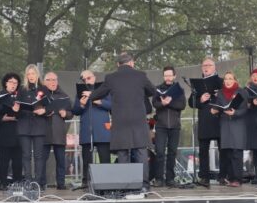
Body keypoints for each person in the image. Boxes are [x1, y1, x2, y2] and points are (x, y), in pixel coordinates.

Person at [90, 52, 156, 191]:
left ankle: (125, 186)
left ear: (117, 64)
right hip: (138, 120)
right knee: (141, 152)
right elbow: (152, 91)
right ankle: (144, 185)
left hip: (120, 121)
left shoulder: (111, 78)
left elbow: (97, 94)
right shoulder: (140, 75)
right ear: (131, 63)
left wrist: (90, 95)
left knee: (123, 153)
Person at [72, 70, 111, 187]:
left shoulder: (104, 90)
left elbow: (112, 105)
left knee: (104, 158)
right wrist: (82, 104)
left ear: (94, 77)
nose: (87, 80)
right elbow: (75, 111)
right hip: (87, 130)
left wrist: (97, 100)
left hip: (102, 130)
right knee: (87, 159)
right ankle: (86, 181)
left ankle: (106, 182)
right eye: (84, 79)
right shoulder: (80, 93)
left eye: (89, 78)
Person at [188, 58, 223, 188]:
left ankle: (223, 175)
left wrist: (219, 95)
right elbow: (191, 103)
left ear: (214, 67)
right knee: (203, 149)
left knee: (222, 149)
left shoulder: (222, 81)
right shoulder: (197, 84)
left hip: (219, 118)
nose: (206, 67)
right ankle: (204, 177)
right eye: (204, 65)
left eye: (209, 65)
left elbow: (229, 98)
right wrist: (200, 100)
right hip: (204, 119)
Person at [211, 71, 248, 187]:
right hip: (225, 125)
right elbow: (217, 106)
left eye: (230, 78)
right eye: (226, 79)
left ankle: (237, 179)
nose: (227, 81)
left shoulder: (241, 92)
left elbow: (245, 109)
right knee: (227, 153)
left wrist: (235, 112)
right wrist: (214, 111)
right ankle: (230, 178)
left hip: (237, 125)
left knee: (237, 153)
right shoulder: (220, 93)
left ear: (235, 80)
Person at [15, 64, 49, 187]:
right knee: (26, 155)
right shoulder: (22, 90)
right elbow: (17, 111)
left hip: (39, 125)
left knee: (39, 156)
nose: (30, 76)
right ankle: (28, 181)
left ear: (37, 74)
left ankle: (38, 182)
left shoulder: (43, 89)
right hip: (24, 126)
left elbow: (50, 106)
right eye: (28, 74)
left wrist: (44, 110)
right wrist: (16, 109)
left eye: (33, 73)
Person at [152, 65, 186, 187]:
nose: (167, 77)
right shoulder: (158, 89)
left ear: (174, 76)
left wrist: (169, 103)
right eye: (165, 75)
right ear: (163, 76)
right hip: (161, 125)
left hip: (175, 125)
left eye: (170, 75)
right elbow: (155, 104)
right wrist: (162, 103)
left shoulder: (179, 90)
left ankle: (170, 178)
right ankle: (159, 178)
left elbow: (182, 105)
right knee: (160, 152)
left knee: (172, 152)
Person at [43, 72, 73, 190]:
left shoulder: (64, 95)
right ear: (44, 82)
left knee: (61, 160)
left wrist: (66, 113)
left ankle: (61, 183)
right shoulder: (40, 94)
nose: (52, 82)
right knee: (42, 160)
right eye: (49, 80)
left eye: (54, 79)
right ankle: (41, 183)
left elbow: (71, 113)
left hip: (59, 132)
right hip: (44, 132)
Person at [0, 72, 22, 190]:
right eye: (11, 82)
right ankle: (3, 182)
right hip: (4, 133)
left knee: (18, 160)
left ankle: (18, 181)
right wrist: (4, 118)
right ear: (5, 83)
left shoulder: (20, 96)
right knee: (4, 160)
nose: (13, 84)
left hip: (18, 132)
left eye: (15, 83)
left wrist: (17, 112)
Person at [245, 68, 257, 184]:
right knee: (256, 150)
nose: (255, 77)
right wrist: (252, 103)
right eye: (253, 75)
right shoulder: (246, 90)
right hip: (253, 123)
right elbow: (242, 103)